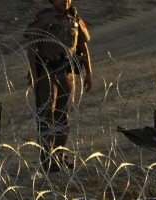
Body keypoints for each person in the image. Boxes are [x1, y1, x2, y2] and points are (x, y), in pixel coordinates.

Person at [24, 0, 93, 172]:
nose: (65, 1)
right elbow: (31, 48)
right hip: (47, 72)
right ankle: (47, 159)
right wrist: (34, 75)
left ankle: (59, 155)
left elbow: (83, 46)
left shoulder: (74, 18)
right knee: (47, 116)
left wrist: (89, 72)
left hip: (67, 74)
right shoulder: (44, 18)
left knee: (63, 118)